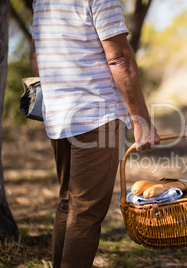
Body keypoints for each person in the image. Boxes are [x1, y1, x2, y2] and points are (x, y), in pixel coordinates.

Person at [29, 0, 160, 267]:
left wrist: (59, 95)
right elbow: (119, 58)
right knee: (86, 213)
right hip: (95, 116)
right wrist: (140, 118)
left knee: (68, 203)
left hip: (59, 117)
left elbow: (35, 56)